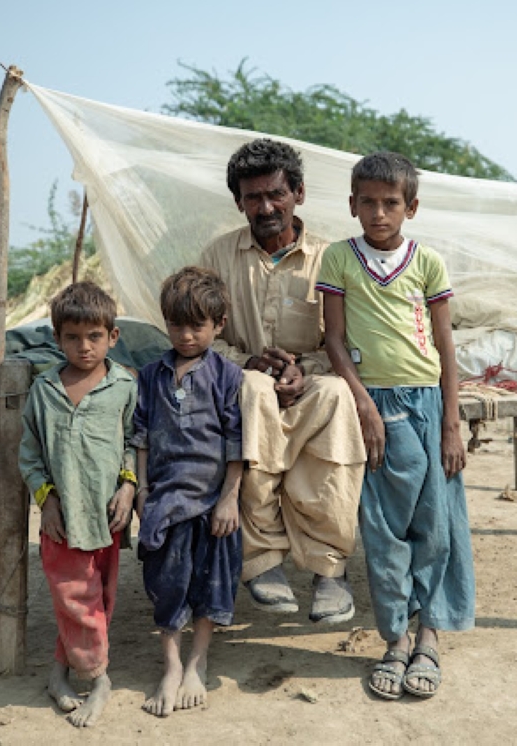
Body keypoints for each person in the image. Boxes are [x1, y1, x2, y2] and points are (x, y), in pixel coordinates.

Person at [317, 152, 476, 700]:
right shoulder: (339, 259)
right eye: (368, 202)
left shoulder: (427, 261)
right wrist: (361, 402)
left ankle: (429, 634)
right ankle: (394, 640)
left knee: (435, 522)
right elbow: (333, 339)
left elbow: (445, 343)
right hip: (373, 403)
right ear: (353, 204)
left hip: (428, 401)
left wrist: (451, 425)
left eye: (390, 203)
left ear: (410, 207)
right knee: (382, 527)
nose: (378, 213)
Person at [200, 138, 367, 624]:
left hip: (311, 387)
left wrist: (302, 370)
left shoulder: (330, 259)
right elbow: (200, 333)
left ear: (299, 193)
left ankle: (329, 569)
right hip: (242, 387)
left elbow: (345, 342)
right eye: (253, 197)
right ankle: (262, 561)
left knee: (337, 394)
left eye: (276, 194)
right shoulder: (217, 256)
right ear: (239, 202)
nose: (266, 206)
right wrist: (248, 363)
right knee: (252, 392)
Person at [19, 281, 138, 727]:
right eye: (72, 337)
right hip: (62, 517)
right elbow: (29, 454)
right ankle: (99, 678)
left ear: (113, 337)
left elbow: (133, 443)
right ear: (57, 338)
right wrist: (45, 500)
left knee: (99, 598)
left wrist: (128, 486)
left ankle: (58, 672)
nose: (83, 347)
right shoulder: (45, 389)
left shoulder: (124, 386)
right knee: (74, 598)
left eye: (94, 336)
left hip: (107, 515)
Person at [132, 266, 245, 718]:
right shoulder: (151, 376)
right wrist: (140, 490)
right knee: (167, 585)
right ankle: (172, 665)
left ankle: (198, 661)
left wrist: (230, 497)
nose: (186, 335)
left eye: (197, 326)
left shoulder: (227, 376)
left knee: (209, 584)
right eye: (176, 325)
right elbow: (139, 435)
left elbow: (237, 442)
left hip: (212, 503)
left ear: (218, 325)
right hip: (164, 502)